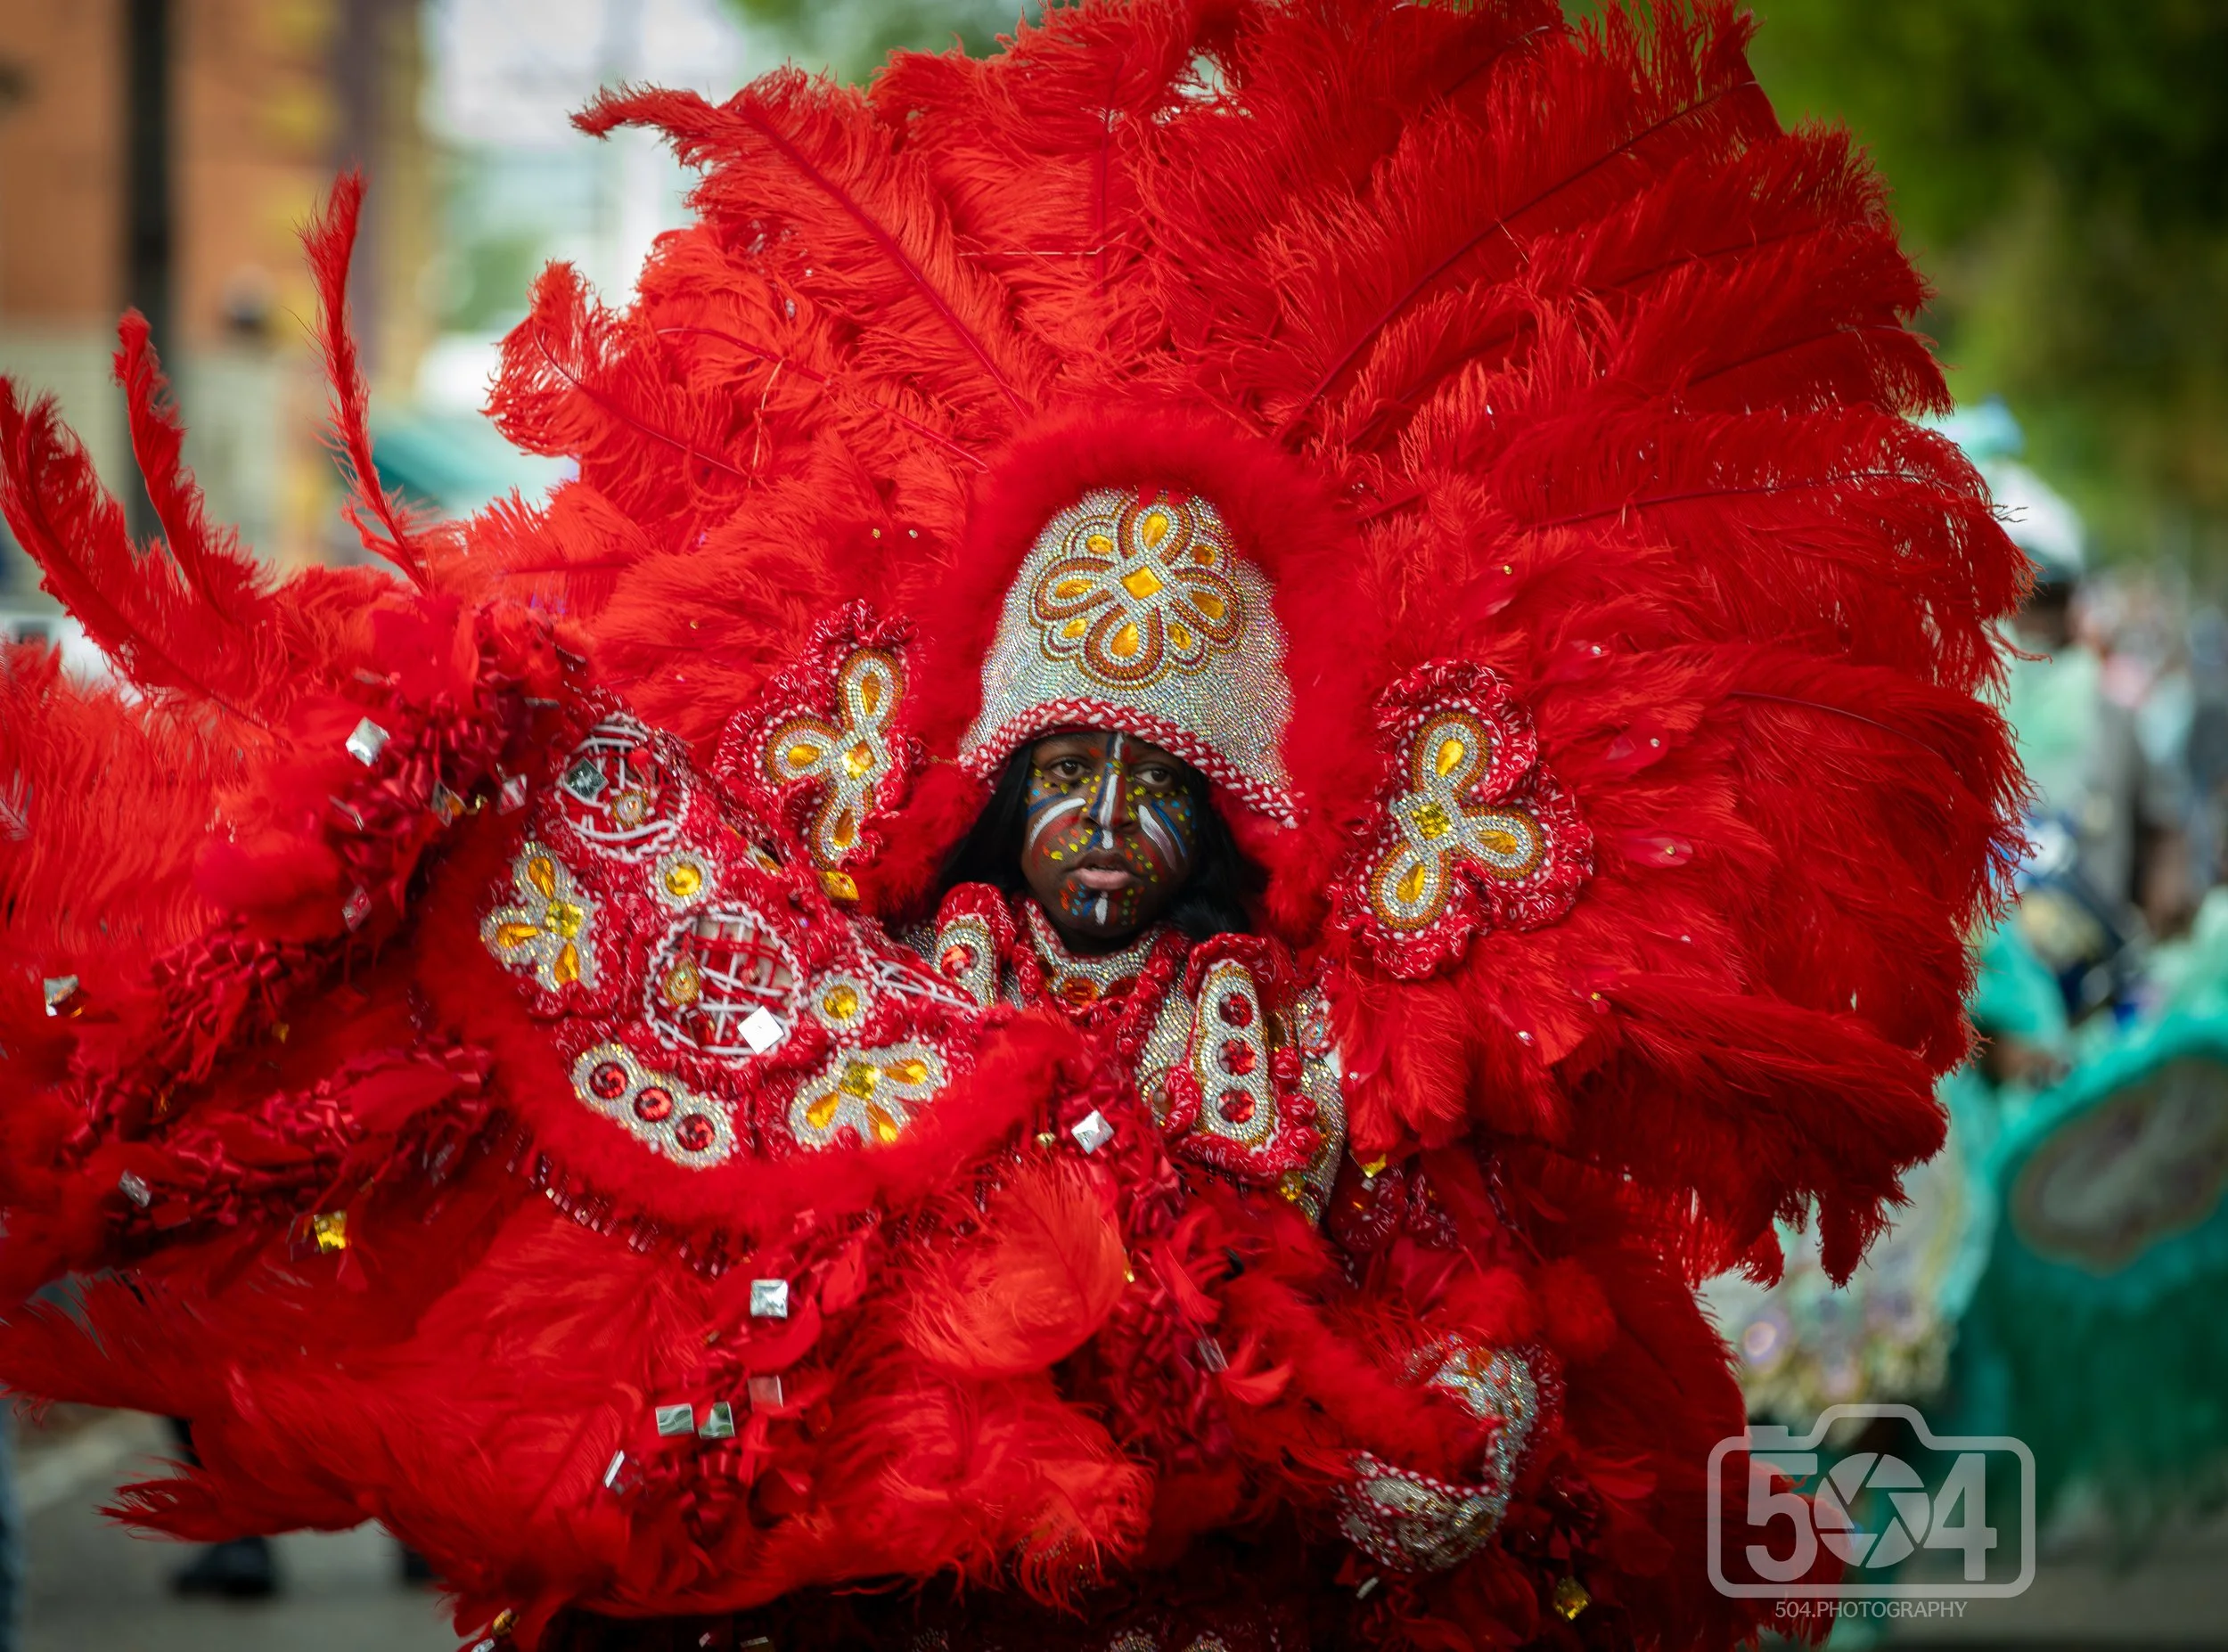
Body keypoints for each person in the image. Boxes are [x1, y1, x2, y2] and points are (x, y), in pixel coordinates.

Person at [0, 4, 2028, 1648]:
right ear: (988, 789)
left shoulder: (1289, 1054)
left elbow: (1463, 1342)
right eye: (1063, 777)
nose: (1099, 835)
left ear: (1227, 829)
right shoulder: (872, 971)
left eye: (1154, 793)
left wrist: (1421, 1436)